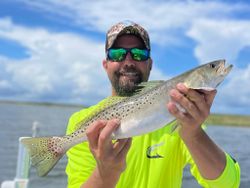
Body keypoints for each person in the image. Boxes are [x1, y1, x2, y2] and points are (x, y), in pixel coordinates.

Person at [65, 20, 240, 188]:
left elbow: (228, 185)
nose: (128, 61)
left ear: (150, 64)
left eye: (139, 54)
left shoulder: (185, 118)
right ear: (106, 64)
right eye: (117, 54)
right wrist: (106, 173)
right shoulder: (81, 121)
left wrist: (193, 134)